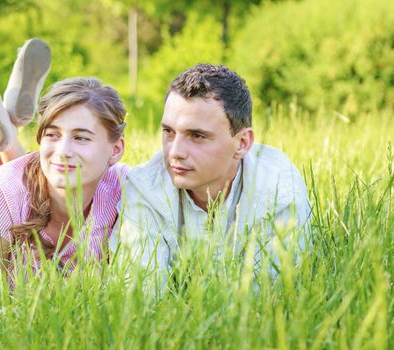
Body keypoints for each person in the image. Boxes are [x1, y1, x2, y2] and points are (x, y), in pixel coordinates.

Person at [0, 39, 128, 291]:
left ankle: (7, 130)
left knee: (22, 181)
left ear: (116, 149)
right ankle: (5, 135)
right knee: (9, 187)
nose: (63, 151)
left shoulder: (127, 192)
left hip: (21, 193)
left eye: (81, 137)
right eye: (52, 134)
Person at [110, 64, 311, 279]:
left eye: (197, 136)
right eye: (168, 132)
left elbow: (268, 296)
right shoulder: (143, 188)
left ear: (242, 143)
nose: (175, 152)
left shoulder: (279, 190)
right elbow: (140, 294)